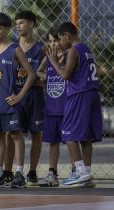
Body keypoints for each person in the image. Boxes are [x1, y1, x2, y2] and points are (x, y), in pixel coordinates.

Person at [0, 13, 35, 188]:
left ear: (8, 29)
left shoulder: (15, 49)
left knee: (16, 135)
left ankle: (18, 173)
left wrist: (19, 96)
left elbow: (31, 74)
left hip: (10, 102)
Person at [47, 22, 102, 186]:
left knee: (68, 133)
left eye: (60, 39)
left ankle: (80, 171)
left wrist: (53, 61)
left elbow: (65, 75)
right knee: (85, 137)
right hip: (92, 93)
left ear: (66, 35)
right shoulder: (86, 49)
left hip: (79, 94)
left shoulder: (73, 50)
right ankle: (87, 174)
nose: (60, 43)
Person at [14, 10, 45, 186]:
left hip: (34, 94)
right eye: (16, 23)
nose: (18, 26)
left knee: (36, 134)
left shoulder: (42, 48)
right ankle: (14, 171)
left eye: (22, 22)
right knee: (14, 133)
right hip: (16, 93)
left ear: (32, 24)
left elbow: (51, 70)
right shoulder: (12, 47)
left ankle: (32, 171)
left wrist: (44, 80)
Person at [36, 29, 67, 187]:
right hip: (52, 107)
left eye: (56, 40)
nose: (54, 44)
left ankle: (77, 170)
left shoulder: (69, 57)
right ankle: (51, 173)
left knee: (73, 141)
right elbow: (38, 71)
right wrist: (46, 77)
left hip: (67, 107)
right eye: (51, 41)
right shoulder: (48, 59)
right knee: (53, 142)